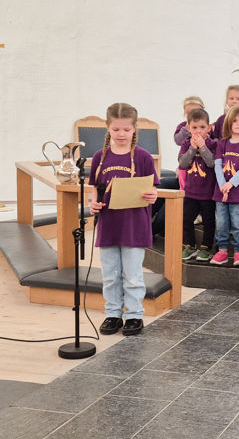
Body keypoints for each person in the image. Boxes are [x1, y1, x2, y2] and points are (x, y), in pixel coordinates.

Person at [88, 103, 159, 336]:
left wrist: (153, 195)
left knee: (133, 274)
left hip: (134, 225)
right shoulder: (100, 157)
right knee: (110, 274)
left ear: (134, 129)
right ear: (107, 128)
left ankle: (134, 315)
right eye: (116, 129)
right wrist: (94, 203)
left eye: (126, 130)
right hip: (109, 225)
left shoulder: (143, 157)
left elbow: (152, 190)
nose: (121, 134)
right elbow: (94, 189)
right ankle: (112, 314)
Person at [152, 96, 205, 237]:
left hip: (196, 182)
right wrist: (187, 128)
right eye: (188, 113)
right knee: (158, 186)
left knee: (167, 208)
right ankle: (140, 223)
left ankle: (150, 231)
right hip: (182, 175)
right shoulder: (184, 128)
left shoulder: (206, 129)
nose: (192, 115)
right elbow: (178, 140)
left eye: (196, 111)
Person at [210, 106, 239, 267]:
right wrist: (223, 184)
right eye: (235, 121)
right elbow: (217, 165)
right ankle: (222, 250)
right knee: (221, 222)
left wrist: (231, 183)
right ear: (228, 123)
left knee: (238, 223)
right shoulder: (222, 144)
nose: (238, 124)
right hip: (221, 192)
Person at [178, 108, 216, 261]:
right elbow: (182, 164)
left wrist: (203, 147)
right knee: (186, 219)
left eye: (202, 127)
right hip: (190, 192)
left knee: (208, 221)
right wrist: (193, 148)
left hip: (208, 193)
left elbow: (212, 163)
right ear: (188, 128)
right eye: (194, 128)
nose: (198, 131)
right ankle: (190, 245)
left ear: (209, 128)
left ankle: (206, 247)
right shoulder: (186, 144)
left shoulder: (213, 144)